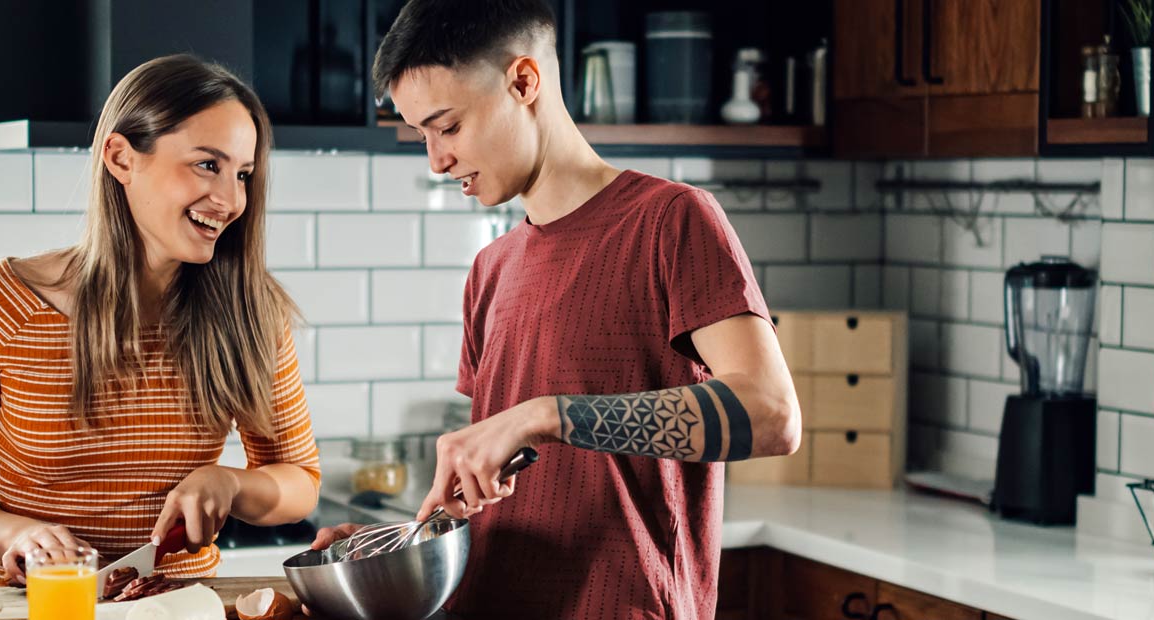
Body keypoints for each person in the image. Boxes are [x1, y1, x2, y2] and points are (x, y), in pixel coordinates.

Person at [311, 1, 802, 617]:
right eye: (423, 136)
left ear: (523, 82)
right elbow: (503, 490)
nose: (436, 160)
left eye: (448, 127)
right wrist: (391, 553)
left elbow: (773, 415)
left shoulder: (671, 222)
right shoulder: (491, 269)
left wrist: (545, 414)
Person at [0, 54, 321, 586]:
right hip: (43, 603)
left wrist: (231, 483)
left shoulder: (250, 309)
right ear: (121, 158)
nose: (230, 199)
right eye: (207, 164)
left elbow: (300, 481)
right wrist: (16, 535)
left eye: (242, 174)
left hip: (183, 602)